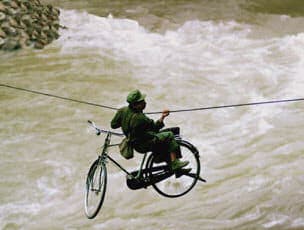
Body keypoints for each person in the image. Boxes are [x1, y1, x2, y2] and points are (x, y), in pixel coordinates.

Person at [111, 89, 190, 171]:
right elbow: (155, 128)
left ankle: (176, 169)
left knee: (165, 136)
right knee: (169, 135)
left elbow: (113, 125)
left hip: (135, 142)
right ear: (135, 105)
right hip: (143, 145)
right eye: (142, 101)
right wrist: (163, 116)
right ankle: (174, 163)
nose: (145, 103)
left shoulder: (122, 110)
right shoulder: (140, 118)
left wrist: (125, 120)